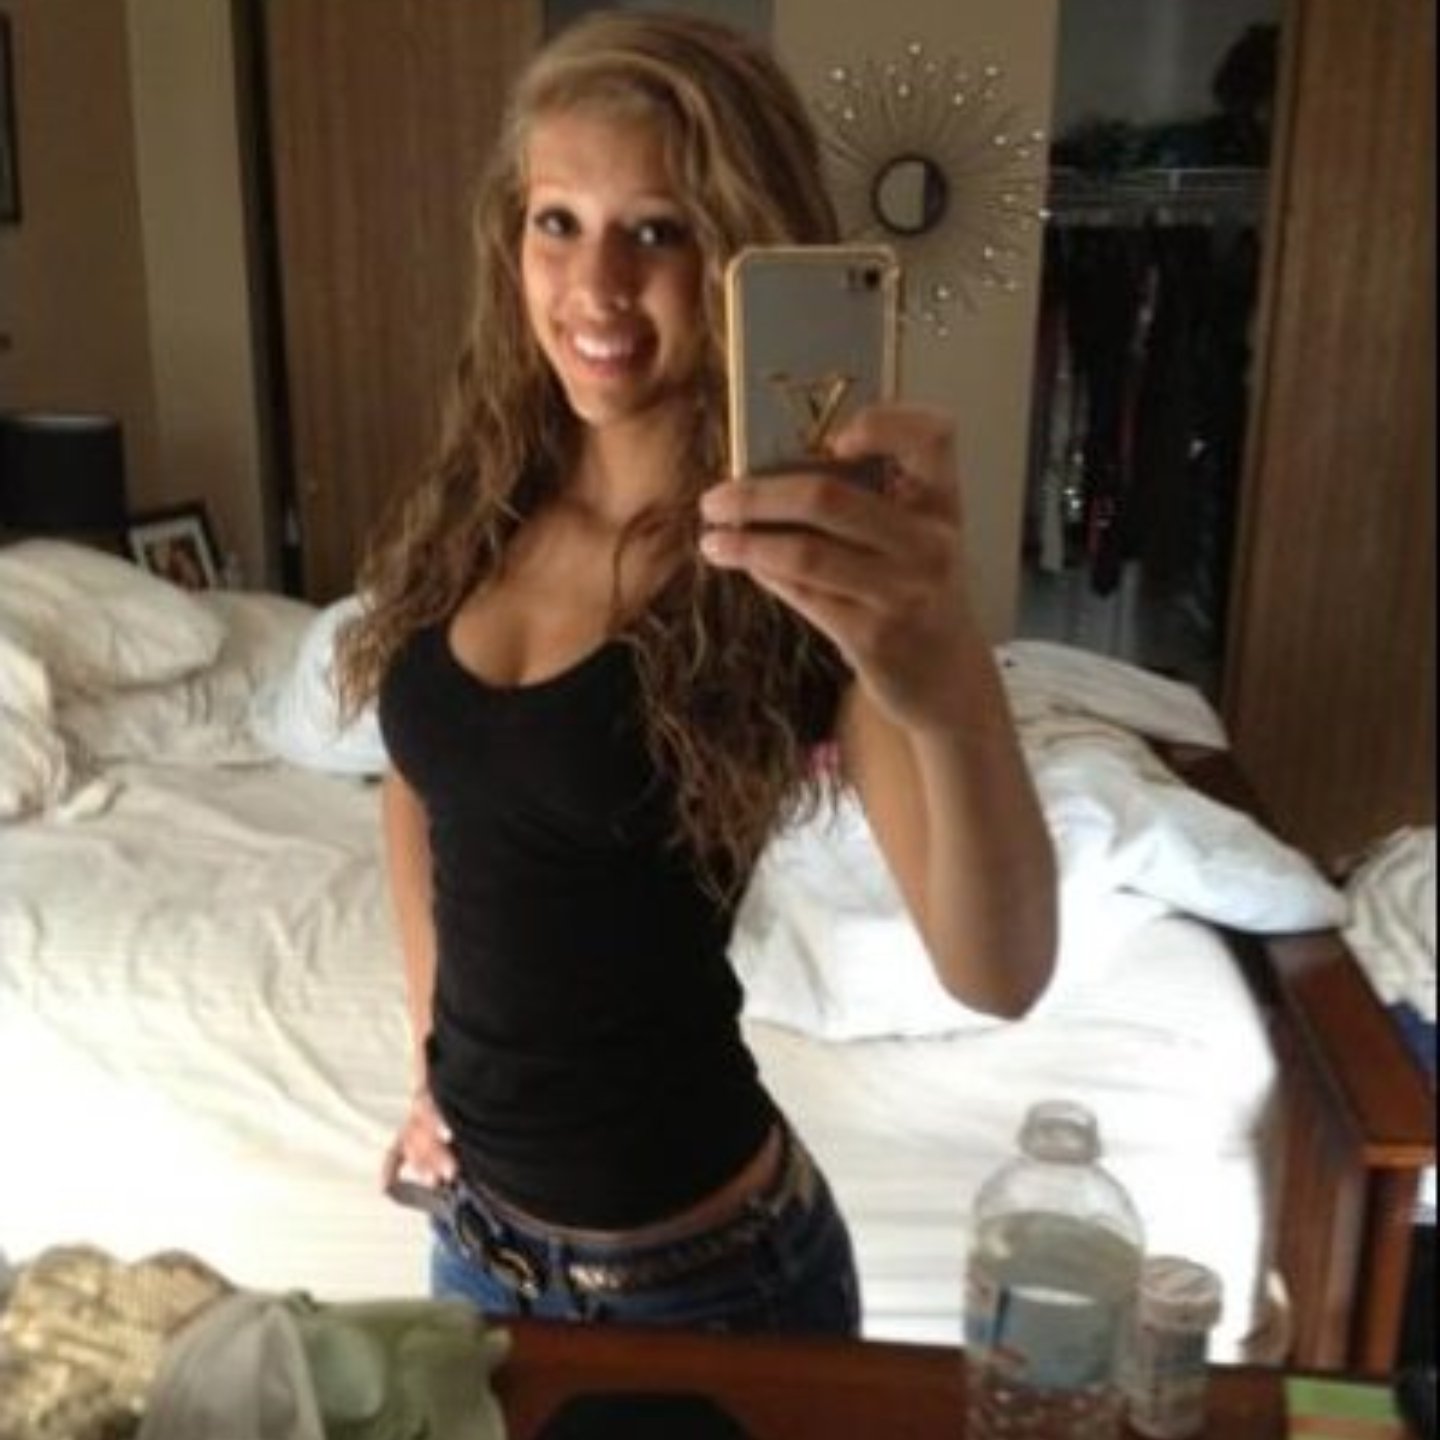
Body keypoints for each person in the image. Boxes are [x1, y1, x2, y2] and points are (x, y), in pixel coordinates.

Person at [336, 11, 1056, 1337]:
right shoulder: (485, 498)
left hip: (707, 1287)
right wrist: (435, 1067)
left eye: (658, 230)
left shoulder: (788, 569)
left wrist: (944, 664)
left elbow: (998, 967)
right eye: (558, 222)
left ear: (741, 255)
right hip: (473, 1255)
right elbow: (420, 784)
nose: (596, 284)